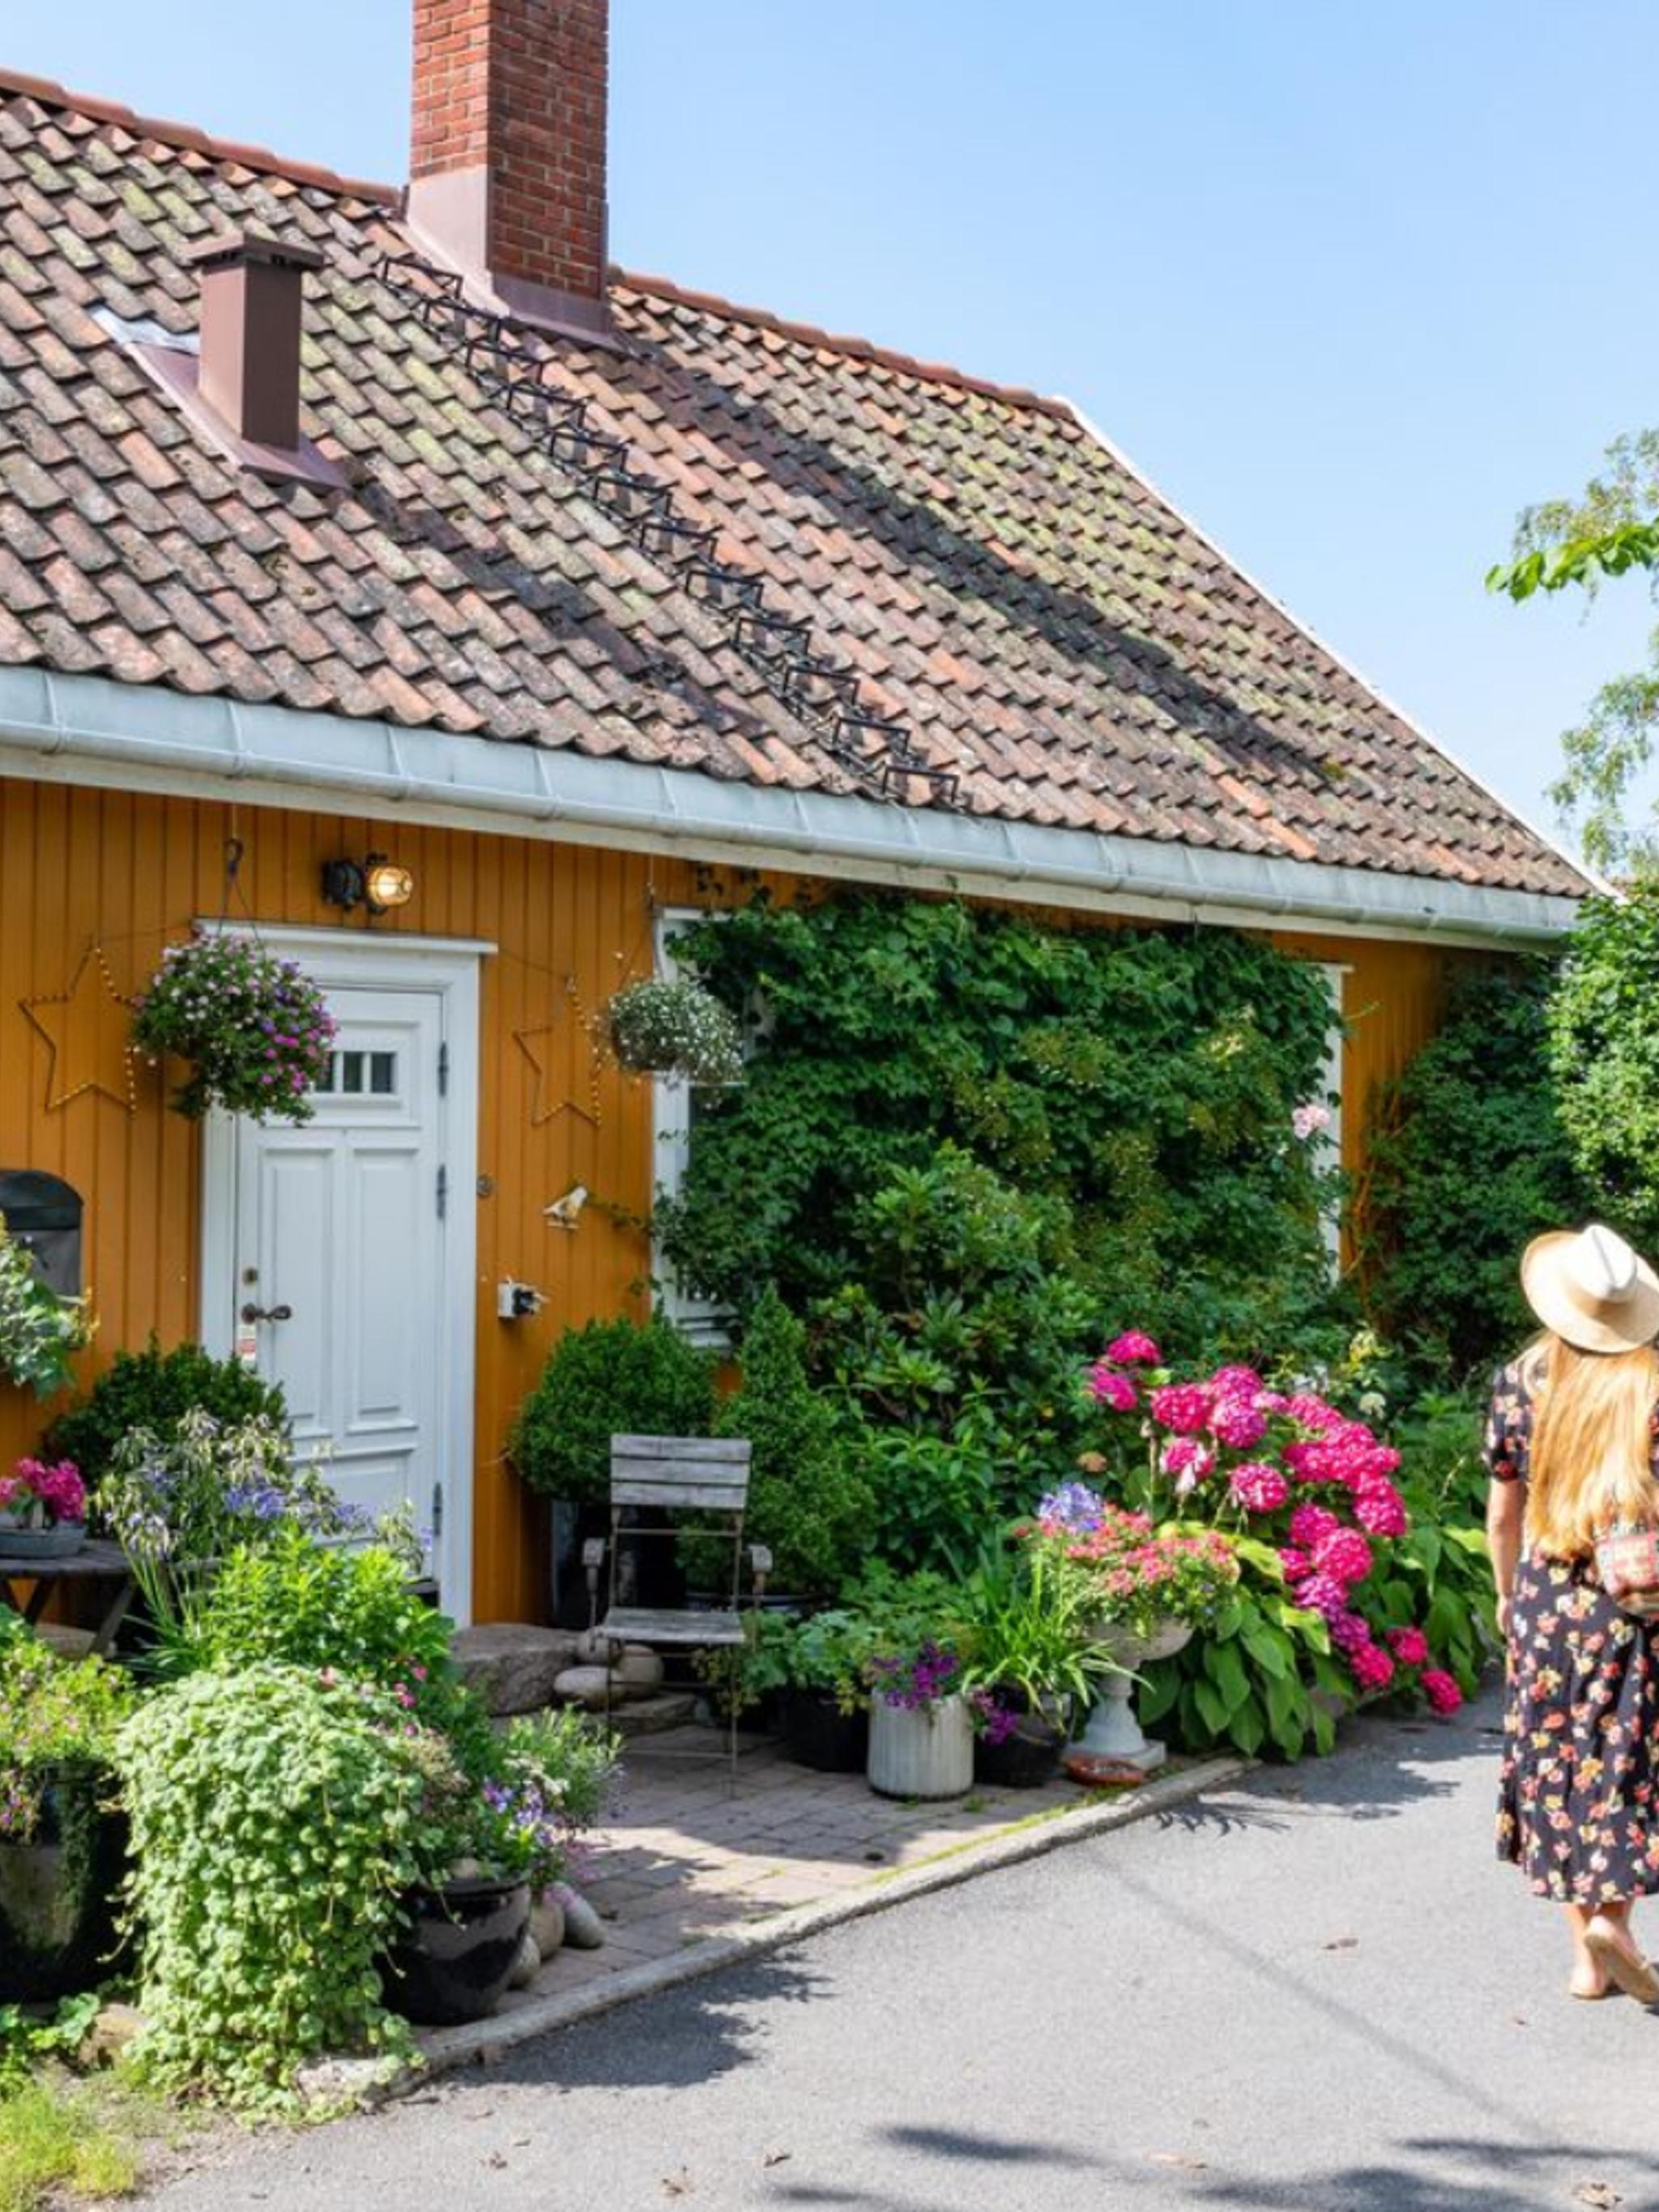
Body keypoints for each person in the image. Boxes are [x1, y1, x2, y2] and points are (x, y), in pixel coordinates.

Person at [1488, 1222, 1659, 2003]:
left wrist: (1504, 1595)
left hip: (1545, 1601)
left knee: (1556, 1769)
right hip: (1631, 1607)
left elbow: (1503, 1514)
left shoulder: (1520, 1380)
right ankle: (1613, 1924)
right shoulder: (1651, 1383)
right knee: (1619, 1764)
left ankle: (1588, 1959)